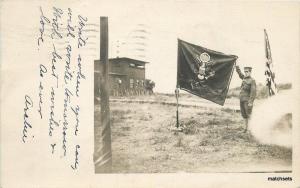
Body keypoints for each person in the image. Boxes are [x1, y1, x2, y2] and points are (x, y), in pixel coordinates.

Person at [235, 65, 256, 133]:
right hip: (242, 100)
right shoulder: (244, 78)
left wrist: (250, 102)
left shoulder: (252, 80)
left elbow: (253, 92)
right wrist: (237, 67)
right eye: (245, 72)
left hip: (247, 101)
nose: (245, 73)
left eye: (247, 72)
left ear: (250, 72)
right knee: (244, 115)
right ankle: (245, 129)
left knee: (249, 115)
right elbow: (240, 74)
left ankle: (251, 130)